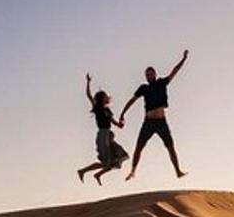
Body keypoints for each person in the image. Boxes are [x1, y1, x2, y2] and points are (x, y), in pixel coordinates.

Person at [120, 50, 189, 181]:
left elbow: (175, 71)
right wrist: (123, 113)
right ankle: (133, 171)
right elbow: (132, 100)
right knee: (139, 147)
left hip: (161, 122)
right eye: (147, 75)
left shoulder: (162, 83)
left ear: (155, 74)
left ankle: (178, 171)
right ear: (145, 77)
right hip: (149, 122)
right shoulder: (143, 88)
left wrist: (183, 59)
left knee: (170, 146)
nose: (149, 76)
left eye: (151, 74)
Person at [77, 73, 129, 185]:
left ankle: (97, 174)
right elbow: (88, 95)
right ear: (101, 99)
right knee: (106, 162)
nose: (107, 98)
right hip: (102, 135)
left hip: (109, 136)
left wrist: (121, 123)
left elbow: (116, 124)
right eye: (105, 96)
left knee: (121, 157)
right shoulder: (98, 108)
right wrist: (88, 82)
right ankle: (83, 171)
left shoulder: (108, 111)